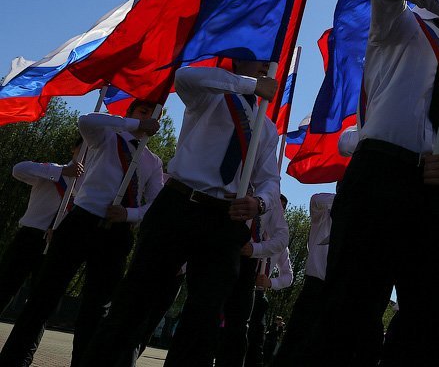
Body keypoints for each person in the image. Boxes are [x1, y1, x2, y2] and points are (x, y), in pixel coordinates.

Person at [304, 0, 439, 366]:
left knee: (433, 320)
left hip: (434, 192)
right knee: (351, 310)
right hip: (379, 174)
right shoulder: (397, 24)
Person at [80, 61, 282, 367]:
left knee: (204, 319)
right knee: (134, 300)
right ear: (238, 62)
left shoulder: (266, 127)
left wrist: (261, 202)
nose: (266, 64)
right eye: (258, 58)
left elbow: (269, 178)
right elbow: (185, 76)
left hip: (224, 219)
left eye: (269, 62)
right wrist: (250, 85)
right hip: (179, 204)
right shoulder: (210, 97)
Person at [0, 101, 163, 367]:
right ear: (130, 114)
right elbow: (86, 120)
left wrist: (129, 214)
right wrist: (135, 125)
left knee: (97, 308)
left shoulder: (153, 161)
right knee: (44, 295)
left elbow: (156, 203)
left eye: (156, 116)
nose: (151, 119)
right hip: (81, 221)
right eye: (143, 112)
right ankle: (15, 359)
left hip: (117, 232)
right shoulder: (107, 137)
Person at [0, 137, 85, 314]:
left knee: (42, 303)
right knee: (5, 286)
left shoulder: (91, 188)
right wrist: (62, 171)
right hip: (29, 236)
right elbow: (19, 169)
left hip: (57, 245)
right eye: (84, 148)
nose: (86, 154)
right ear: (74, 149)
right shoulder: (52, 170)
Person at [271, 192, 333, 366]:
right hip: (315, 286)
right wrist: (348, 198)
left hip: (338, 291)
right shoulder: (323, 215)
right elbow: (316, 200)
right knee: (296, 340)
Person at [242, 195, 293, 367]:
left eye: (282, 209)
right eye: (276, 206)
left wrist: (270, 283)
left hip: (258, 294)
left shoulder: (281, 245)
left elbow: (288, 276)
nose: (278, 211)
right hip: (239, 287)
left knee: (256, 340)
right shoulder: (250, 230)